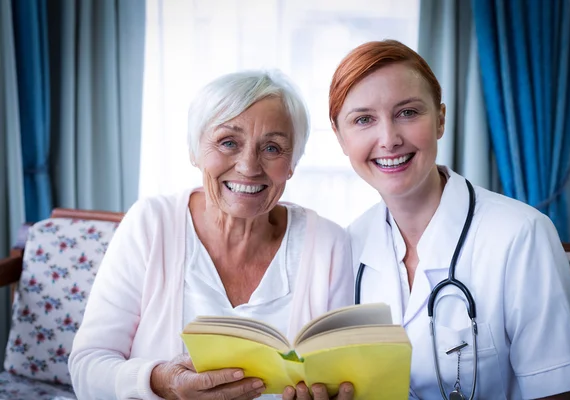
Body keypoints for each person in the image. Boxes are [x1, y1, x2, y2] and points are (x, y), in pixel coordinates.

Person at [328, 39, 570, 399]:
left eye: (408, 112)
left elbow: (557, 395)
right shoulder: (346, 245)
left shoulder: (521, 235)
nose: (388, 139)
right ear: (340, 137)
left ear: (440, 119)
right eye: (363, 120)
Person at [68, 70, 355, 400]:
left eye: (273, 148)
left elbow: (343, 380)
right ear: (195, 151)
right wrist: (161, 382)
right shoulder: (151, 224)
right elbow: (87, 367)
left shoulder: (329, 245)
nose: (249, 166)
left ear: (292, 163)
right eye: (228, 142)